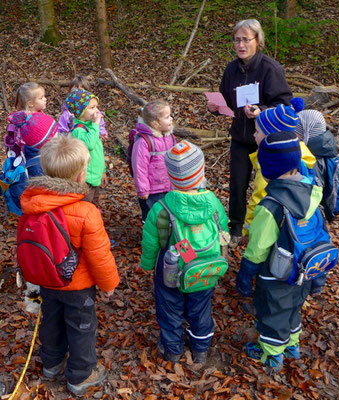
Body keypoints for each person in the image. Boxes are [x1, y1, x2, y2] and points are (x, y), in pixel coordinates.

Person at [20, 135, 120, 396]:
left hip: (47, 280)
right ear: (80, 176)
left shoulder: (32, 204)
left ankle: (51, 364)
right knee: (81, 329)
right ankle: (81, 375)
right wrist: (108, 285)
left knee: (51, 322)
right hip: (78, 287)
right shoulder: (86, 212)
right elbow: (99, 255)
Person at [236, 131, 325, 371]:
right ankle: (292, 345)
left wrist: (245, 277)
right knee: (294, 308)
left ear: (267, 170)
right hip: (304, 271)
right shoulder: (312, 193)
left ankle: (272, 355)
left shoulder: (271, 206)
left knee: (272, 314)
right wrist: (318, 278)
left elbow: (257, 249)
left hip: (277, 275)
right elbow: (318, 235)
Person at [140, 141, 229, 365]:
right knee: (200, 309)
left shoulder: (161, 208)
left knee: (170, 310)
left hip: (170, 270)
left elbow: (151, 242)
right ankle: (200, 350)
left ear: (170, 177)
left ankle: (173, 350)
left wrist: (148, 265)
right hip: (205, 268)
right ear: (201, 173)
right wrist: (224, 254)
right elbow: (224, 232)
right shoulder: (214, 203)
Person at [208, 19, 292, 245]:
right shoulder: (231, 69)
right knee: (237, 184)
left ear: (258, 41)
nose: (241, 45)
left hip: (266, 140)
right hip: (240, 138)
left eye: (246, 39)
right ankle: (236, 228)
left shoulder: (270, 69)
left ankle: (265, 229)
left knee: (266, 186)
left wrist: (261, 110)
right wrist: (216, 108)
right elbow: (226, 100)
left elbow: (285, 105)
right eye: (237, 40)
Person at [242, 98, 316, 238]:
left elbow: (259, 198)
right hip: (298, 227)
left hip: (272, 226)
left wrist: (248, 230)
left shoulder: (271, 163)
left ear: (270, 136)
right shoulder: (302, 153)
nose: (254, 135)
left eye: (257, 131)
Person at [131, 99, 176, 223]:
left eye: (170, 115)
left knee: (168, 218)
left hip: (169, 187)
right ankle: (151, 241)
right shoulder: (143, 142)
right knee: (153, 219)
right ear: (155, 124)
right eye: (167, 117)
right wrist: (143, 189)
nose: (171, 119)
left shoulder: (170, 137)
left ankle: (166, 241)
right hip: (153, 191)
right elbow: (139, 167)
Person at [295, 109, 339, 220]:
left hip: (315, 215)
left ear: (307, 130)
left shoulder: (311, 158)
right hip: (329, 207)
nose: (293, 132)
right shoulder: (329, 149)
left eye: (297, 129)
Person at [65, 88, 107, 206]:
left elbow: (98, 151)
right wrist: (95, 124)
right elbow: (90, 145)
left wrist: (103, 171)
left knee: (94, 205)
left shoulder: (91, 126)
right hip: (85, 179)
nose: (97, 111)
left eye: (96, 107)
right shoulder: (78, 130)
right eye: (92, 107)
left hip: (95, 176)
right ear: (80, 111)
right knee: (85, 205)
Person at [10, 111, 58, 177]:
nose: (59, 135)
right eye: (55, 134)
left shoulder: (39, 152)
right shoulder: (38, 167)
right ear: (44, 143)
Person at [6, 82, 48, 157]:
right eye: (41, 98)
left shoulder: (39, 116)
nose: (45, 99)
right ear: (31, 104)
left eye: (44, 96)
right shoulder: (25, 121)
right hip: (27, 157)